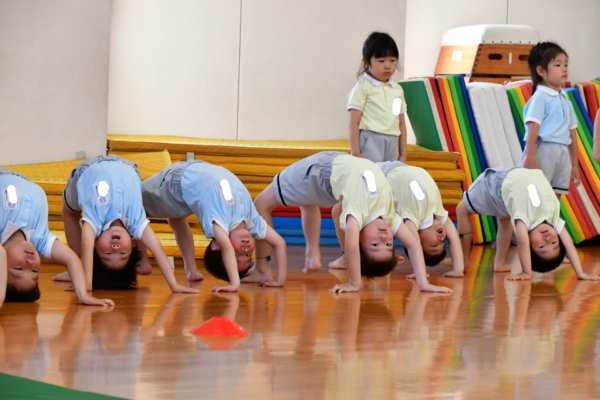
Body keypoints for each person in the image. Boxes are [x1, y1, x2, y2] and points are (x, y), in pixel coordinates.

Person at [252, 151, 452, 293]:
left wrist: (354, 283)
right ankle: (312, 253)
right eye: (389, 245)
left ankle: (262, 268)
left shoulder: (357, 213)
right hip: (334, 173)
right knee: (309, 201)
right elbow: (413, 244)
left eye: (376, 245)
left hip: (319, 172)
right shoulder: (389, 216)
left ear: (359, 240)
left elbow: (351, 246)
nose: (384, 238)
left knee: (261, 204)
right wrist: (423, 283)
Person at [56, 155, 198, 294]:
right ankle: (79, 270)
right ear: (133, 243)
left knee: (69, 212)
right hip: (127, 165)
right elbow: (157, 249)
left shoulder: (95, 221)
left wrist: (86, 283)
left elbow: (86, 244)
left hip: (87, 168)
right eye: (123, 253)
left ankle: (76, 270)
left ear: (95, 243)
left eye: (107, 253)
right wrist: (174, 285)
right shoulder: (136, 222)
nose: (115, 248)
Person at [141, 160, 287, 292]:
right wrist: (279, 280)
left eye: (237, 255)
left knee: (138, 205)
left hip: (175, 183)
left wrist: (234, 284)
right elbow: (280, 243)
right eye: (248, 255)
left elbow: (227, 247)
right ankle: (190, 269)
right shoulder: (253, 221)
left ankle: (149, 263)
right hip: (190, 176)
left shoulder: (219, 222)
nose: (245, 249)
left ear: (216, 244)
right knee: (173, 219)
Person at [456, 166, 599, 281]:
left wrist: (526, 272)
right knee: (504, 220)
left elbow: (522, 242)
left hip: (492, 184)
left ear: (529, 245)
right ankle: (498, 263)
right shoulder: (553, 220)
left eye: (542, 246)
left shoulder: (524, 220)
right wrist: (580, 272)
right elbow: (569, 245)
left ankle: (465, 259)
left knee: (462, 210)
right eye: (554, 243)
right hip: (509, 180)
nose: (548, 239)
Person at [0, 169, 114, 308]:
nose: (30, 263)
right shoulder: (41, 239)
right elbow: (72, 260)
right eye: (35, 271)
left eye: (19, 269)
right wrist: (83, 295)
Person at [378, 161, 464, 277]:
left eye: (434, 245)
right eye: (443, 242)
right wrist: (458, 270)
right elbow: (454, 239)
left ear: (418, 237)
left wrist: (419, 273)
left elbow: (413, 245)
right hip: (401, 166)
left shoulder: (412, 219)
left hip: (381, 174)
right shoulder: (439, 213)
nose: (442, 238)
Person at [520, 42, 579, 195]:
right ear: (541, 70)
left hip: (563, 152)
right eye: (558, 65)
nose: (564, 69)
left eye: (566, 64)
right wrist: (530, 155)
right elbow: (533, 128)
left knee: (556, 195)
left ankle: (551, 214)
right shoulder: (540, 97)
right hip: (544, 150)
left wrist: (575, 165)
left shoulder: (565, 98)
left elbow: (572, 133)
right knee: (537, 195)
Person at [347, 32, 408, 163]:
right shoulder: (363, 87)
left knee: (389, 174)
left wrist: (403, 154)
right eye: (381, 61)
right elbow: (354, 122)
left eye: (392, 60)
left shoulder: (397, 89)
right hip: (371, 139)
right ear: (366, 62)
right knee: (371, 174)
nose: (388, 65)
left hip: (393, 140)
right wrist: (355, 152)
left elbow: (401, 123)